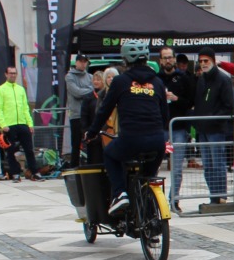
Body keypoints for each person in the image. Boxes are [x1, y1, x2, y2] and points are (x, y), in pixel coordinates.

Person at [86, 40, 167, 215]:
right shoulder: (158, 82)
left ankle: (119, 193)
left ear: (125, 60)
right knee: (148, 178)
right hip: (156, 141)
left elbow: (104, 110)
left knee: (110, 154)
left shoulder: (121, 81)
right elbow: (165, 114)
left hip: (131, 139)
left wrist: (91, 132)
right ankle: (150, 216)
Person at [194, 50, 234, 204]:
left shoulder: (222, 79)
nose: (203, 64)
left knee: (218, 164)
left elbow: (229, 105)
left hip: (216, 129)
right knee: (208, 166)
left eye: (206, 61)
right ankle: (214, 196)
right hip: (203, 129)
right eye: (201, 61)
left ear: (212, 60)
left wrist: (214, 118)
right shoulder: (202, 79)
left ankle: (220, 196)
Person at [162, 48, 196, 213]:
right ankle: (154, 200)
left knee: (176, 166)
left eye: (170, 57)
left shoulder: (184, 78)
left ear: (174, 59)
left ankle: (173, 200)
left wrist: (176, 99)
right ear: (161, 60)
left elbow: (190, 102)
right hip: (161, 129)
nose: (168, 60)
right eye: (165, 58)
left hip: (178, 129)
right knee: (153, 164)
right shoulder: (156, 79)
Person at [0, 65, 38, 182]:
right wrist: (3, 125)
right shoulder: (1, 89)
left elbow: (25, 108)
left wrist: (30, 123)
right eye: (11, 73)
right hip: (9, 125)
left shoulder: (20, 89)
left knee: (29, 149)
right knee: (10, 151)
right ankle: (15, 173)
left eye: (14, 73)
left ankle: (34, 172)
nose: (13, 75)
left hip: (22, 123)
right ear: (6, 74)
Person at [63, 55, 92, 166]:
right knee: (76, 143)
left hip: (89, 114)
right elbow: (77, 92)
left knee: (90, 142)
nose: (83, 64)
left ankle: (90, 164)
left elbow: (93, 90)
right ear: (76, 62)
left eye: (85, 62)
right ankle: (74, 166)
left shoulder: (90, 76)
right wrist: (89, 90)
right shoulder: (69, 76)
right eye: (81, 61)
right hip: (76, 115)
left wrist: (85, 91)